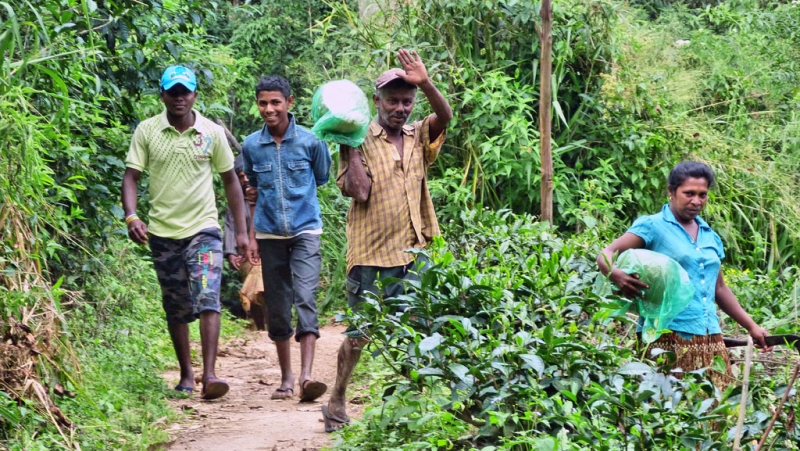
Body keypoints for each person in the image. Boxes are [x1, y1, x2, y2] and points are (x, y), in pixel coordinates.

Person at [321, 49, 453, 432]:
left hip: (416, 250)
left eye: (406, 102)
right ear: (376, 101)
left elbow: (445, 117)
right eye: (392, 101)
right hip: (371, 254)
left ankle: (413, 407)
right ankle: (337, 399)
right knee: (360, 334)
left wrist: (425, 83)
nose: (400, 109)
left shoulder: (418, 135)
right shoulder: (357, 138)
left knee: (419, 328)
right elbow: (359, 192)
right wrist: (348, 141)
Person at [122, 65, 249, 400]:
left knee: (208, 296)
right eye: (173, 92)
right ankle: (186, 375)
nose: (179, 98)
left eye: (185, 92)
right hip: (163, 234)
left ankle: (210, 374)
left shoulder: (211, 133)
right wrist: (132, 216)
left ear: (195, 95)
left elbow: (230, 181)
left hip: (203, 230)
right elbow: (131, 177)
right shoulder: (147, 131)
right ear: (162, 95)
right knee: (176, 305)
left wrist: (241, 232)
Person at [597, 161, 772, 389]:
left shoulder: (710, 236)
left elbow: (719, 288)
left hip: (709, 334)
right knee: (667, 401)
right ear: (671, 192)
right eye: (689, 193)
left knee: (717, 401)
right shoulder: (653, 226)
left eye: (702, 195)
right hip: (666, 335)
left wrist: (752, 326)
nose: (696, 201)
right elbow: (607, 253)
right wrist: (616, 275)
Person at [241, 75, 332, 402]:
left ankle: (307, 377)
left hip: (306, 230)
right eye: (263, 103)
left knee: (305, 297)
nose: (269, 109)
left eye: (275, 102)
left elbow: (321, 177)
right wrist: (252, 237)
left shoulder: (311, 141)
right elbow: (252, 191)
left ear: (289, 102)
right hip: (268, 234)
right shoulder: (251, 145)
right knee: (278, 306)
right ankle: (286, 379)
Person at [224, 155, 266, 330]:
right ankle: (261, 326)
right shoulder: (235, 204)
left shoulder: (266, 197)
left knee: (261, 273)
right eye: (241, 176)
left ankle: (266, 325)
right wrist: (231, 254)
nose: (246, 179)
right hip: (245, 256)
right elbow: (230, 228)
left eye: (248, 175)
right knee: (256, 272)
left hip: (268, 251)